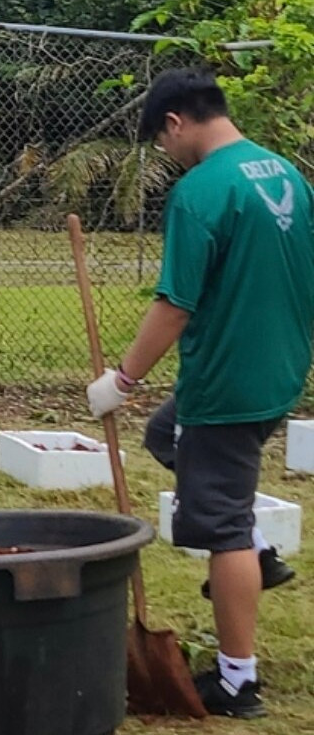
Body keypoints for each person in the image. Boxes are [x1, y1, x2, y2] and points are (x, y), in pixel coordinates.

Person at [86, 68, 314, 719]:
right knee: (165, 436)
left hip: (226, 385)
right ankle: (257, 554)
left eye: (162, 140)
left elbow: (174, 305)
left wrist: (121, 380)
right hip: (277, 371)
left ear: (177, 122)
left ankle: (239, 681)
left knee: (219, 525)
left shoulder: (200, 193)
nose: (165, 153)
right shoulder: (285, 174)